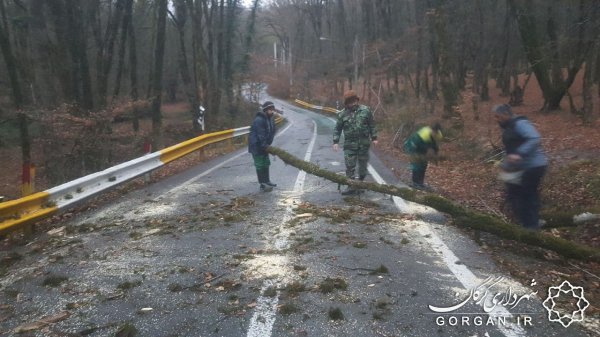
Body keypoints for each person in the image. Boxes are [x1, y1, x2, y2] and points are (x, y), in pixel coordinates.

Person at [493, 104, 548, 230]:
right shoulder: (510, 127)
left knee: (526, 194)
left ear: (506, 114)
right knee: (514, 193)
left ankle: (531, 226)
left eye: (498, 116)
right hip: (522, 167)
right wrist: (505, 164)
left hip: (534, 166)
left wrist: (519, 154)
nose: (497, 120)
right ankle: (527, 222)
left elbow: (534, 138)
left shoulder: (520, 124)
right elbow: (512, 150)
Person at [333, 90, 378, 195]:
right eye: (350, 102)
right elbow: (337, 129)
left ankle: (360, 184)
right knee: (350, 166)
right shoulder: (342, 114)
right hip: (349, 145)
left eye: (354, 101)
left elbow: (372, 125)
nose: (353, 104)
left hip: (363, 143)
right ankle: (351, 187)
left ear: (357, 100)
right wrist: (335, 141)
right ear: (347, 103)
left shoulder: (366, 111)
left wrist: (374, 137)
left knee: (363, 167)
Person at [403, 123, 443, 190]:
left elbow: (435, 145)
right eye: (433, 132)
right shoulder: (423, 134)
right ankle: (415, 182)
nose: (435, 134)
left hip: (423, 147)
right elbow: (414, 145)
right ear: (431, 130)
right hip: (413, 145)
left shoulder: (438, 135)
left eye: (436, 133)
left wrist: (435, 154)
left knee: (424, 164)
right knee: (417, 165)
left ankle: (420, 182)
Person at [249, 101, 277, 192]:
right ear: (265, 110)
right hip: (257, 146)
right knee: (260, 165)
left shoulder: (270, 118)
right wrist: (266, 146)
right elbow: (261, 135)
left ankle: (267, 181)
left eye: (273, 109)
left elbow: (272, 131)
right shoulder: (259, 120)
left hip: (265, 145)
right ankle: (262, 184)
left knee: (266, 163)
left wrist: (268, 145)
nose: (272, 111)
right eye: (270, 109)